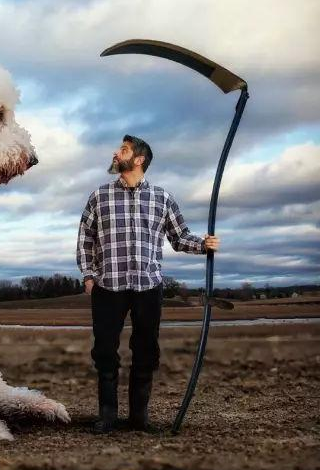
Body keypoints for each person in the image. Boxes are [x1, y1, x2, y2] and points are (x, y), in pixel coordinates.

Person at [76, 134, 220, 433]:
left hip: (148, 286)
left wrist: (204, 244)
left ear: (139, 159)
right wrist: (89, 276)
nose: (117, 153)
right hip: (108, 286)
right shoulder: (99, 196)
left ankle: (139, 419)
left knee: (146, 351)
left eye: (124, 150)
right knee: (104, 352)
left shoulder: (162, 198)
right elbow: (85, 239)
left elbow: (179, 237)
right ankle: (108, 417)